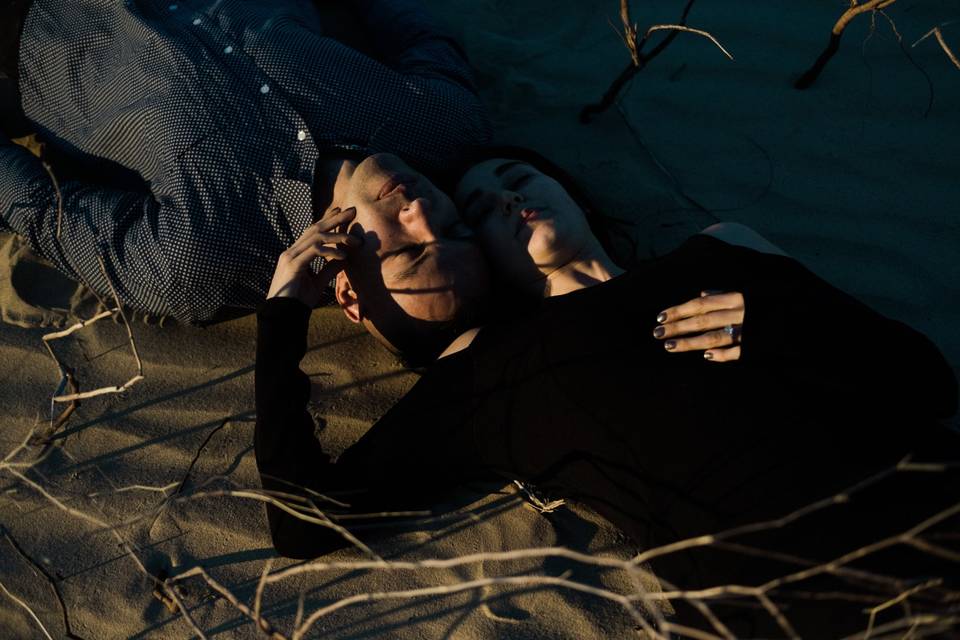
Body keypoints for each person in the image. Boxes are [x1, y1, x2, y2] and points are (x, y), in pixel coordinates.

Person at [255, 150, 958, 633]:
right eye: (478, 209)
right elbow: (303, 518)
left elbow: (926, 379)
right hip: (832, 610)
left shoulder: (723, 246)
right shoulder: (496, 368)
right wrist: (283, 312)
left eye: (517, 174)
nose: (508, 196)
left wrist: (787, 320)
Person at [0, 0, 490, 325]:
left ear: (349, 294)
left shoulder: (201, 258)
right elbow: (418, 31)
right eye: (457, 228)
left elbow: (42, 208)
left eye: (409, 252)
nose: (424, 213)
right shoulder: (442, 127)